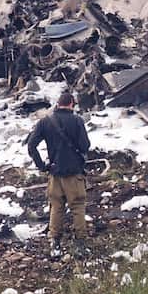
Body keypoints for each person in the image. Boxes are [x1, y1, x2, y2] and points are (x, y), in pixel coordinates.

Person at [26, 90, 90, 259]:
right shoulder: (77, 121)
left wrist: (42, 166)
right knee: (77, 207)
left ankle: (55, 244)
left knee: (56, 208)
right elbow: (84, 146)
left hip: (55, 173)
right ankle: (81, 245)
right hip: (74, 173)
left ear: (58, 103)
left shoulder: (45, 122)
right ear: (71, 104)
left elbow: (31, 146)